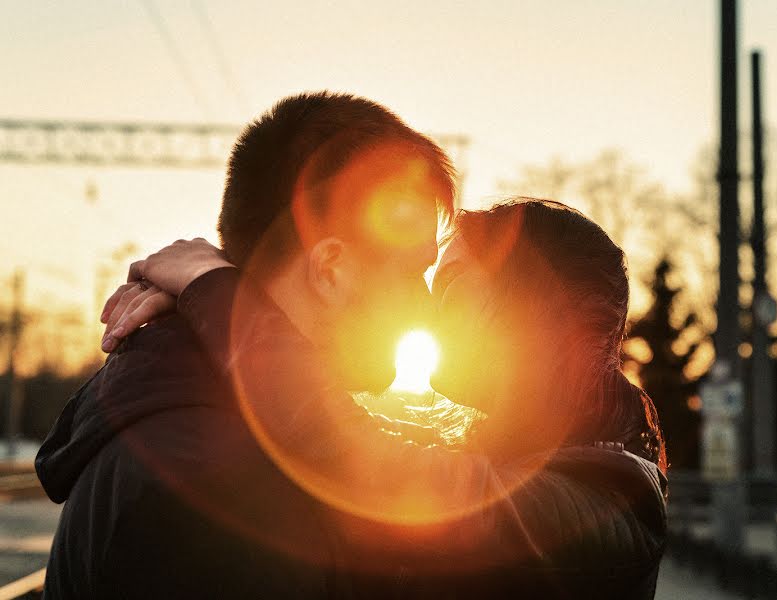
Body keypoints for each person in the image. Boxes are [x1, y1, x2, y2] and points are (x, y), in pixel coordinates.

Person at [99, 198, 668, 598]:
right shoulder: (527, 459)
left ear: (531, 311)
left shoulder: (604, 505)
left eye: (450, 286)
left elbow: (357, 458)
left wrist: (213, 289)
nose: (427, 311)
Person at [36, 91, 455, 598]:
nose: (427, 305)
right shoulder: (225, 486)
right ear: (330, 270)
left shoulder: (209, 413)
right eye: (413, 273)